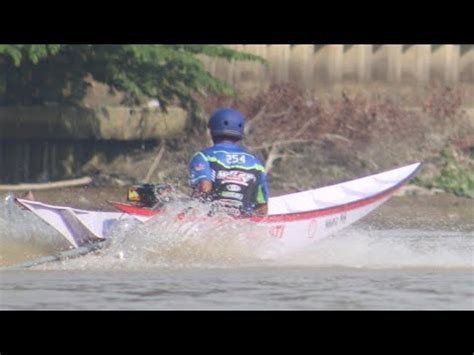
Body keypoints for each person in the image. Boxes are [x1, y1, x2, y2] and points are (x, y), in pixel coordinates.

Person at [189, 108, 269, 217]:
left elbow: (204, 188)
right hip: (241, 225)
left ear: (212, 131)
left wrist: (187, 208)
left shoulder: (203, 156)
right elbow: (262, 207)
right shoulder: (256, 163)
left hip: (211, 222)